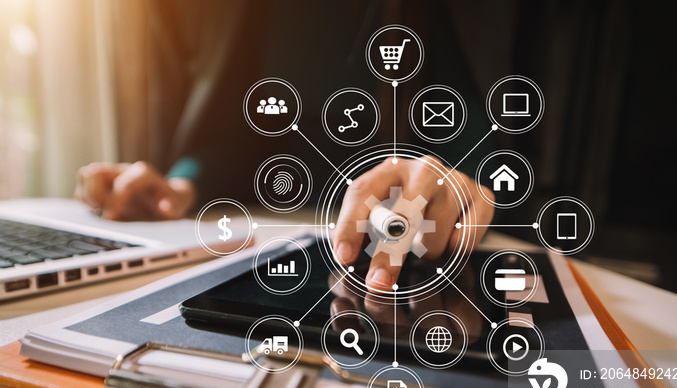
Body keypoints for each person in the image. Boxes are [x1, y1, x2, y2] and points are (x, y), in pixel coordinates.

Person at [75, 1, 495, 292]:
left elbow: (472, 129)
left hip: (397, 235)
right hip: (265, 226)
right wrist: (181, 184)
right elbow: (234, 125)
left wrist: (464, 184)